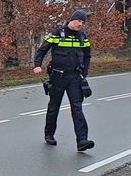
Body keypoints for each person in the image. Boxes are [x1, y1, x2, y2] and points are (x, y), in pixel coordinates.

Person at [33, 9, 95, 151]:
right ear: (72, 20)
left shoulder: (82, 37)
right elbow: (42, 50)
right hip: (58, 77)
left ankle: (82, 141)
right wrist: (37, 65)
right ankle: (49, 134)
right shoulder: (57, 34)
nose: (81, 24)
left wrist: (84, 72)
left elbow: (87, 55)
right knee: (54, 107)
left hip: (74, 78)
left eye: (83, 22)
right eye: (79, 21)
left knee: (77, 108)